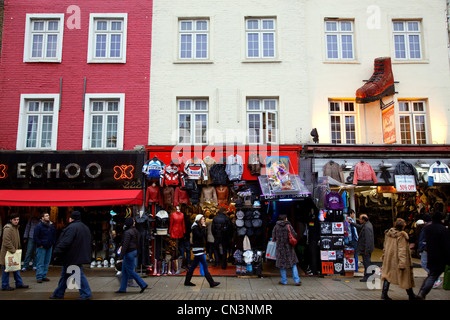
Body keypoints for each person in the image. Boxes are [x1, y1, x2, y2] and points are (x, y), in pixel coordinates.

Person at [50, 211, 92, 300]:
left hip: (72, 255)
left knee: (76, 275)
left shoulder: (71, 228)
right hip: (78, 255)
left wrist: (57, 251)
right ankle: (58, 293)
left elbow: (66, 242)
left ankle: (86, 293)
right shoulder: (84, 227)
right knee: (66, 275)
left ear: (71, 218)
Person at [380, 218, 417, 300]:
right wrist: (402, 263)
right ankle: (411, 295)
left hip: (389, 258)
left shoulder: (388, 233)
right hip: (397, 259)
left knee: (387, 275)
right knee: (405, 277)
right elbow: (402, 250)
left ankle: (384, 293)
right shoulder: (402, 236)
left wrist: (384, 256)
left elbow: (385, 246)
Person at [416, 211, 450, 300]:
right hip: (440, 256)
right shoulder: (443, 230)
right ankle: (422, 293)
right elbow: (446, 245)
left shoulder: (427, 228)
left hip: (430, 255)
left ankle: (421, 293)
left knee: (431, 275)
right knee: (433, 276)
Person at [184, 214, 220, 287]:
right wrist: (203, 227)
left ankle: (187, 281)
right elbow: (200, 236)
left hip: (199, 248)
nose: (204, 221)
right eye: (203, 219)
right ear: (199, 220)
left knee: (193, 266)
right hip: (197, 249)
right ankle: (211, 282)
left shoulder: (197, 227)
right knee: (205, 265)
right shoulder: (195, 228)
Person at [115, 217, 148, 294]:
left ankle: (142, 284)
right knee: (125, 271)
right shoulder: (135, 231)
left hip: (128, 252)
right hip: (133, 251)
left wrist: (121, 256)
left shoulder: (127, 233)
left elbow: (125, 245)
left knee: (129, 270)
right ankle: (122, 288)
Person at [0, 213, 29, 291]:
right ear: (11, 220)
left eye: (17, 220)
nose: (16, 221)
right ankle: (5, 285)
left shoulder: (15, 228)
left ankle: (18, 283)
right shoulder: (8, 228)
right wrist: (13, 250)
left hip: (13, 252)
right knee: (7, 269)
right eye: (15, 220)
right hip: (8, 253)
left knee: (15, 268)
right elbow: (6, 241)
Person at [272, 214, 301, 286]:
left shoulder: (276, 226)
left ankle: (284, 281)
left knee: (282, 265)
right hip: (289, 248)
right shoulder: (288, 226)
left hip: (280, 248)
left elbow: (273, 237)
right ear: (285, 219)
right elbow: (294, 234)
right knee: (293, 264)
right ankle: (297, 280)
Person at [417, 214, 442, 288]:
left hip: (427, 248)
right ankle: (433, 278)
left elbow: (424, 239)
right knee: (429, 263)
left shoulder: (427, 227)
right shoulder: (433, 226)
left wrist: (423, 247)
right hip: (431, 248)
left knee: (424, 263)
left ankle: (435, 278)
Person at [33, 212, 56, 283]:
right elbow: (35, 236)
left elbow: (54, 235)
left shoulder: (51, 225)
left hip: (49, 245)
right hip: (41, 246)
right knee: (40, 262)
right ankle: (39, 276)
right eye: (46, 216)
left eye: (48, 215)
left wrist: (52, 243)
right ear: (42, 218)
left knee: (47, 261)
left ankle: (44, 275)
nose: (48, 217)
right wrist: (40, 244)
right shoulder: (39, 226)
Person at [351, 214, 374, 282]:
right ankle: (370, 273)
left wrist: (366, 250)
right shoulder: (366, 225)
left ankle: (367, 276)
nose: (359, 220)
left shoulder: (367, 227)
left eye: (360, 219)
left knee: (366, 262)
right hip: (366, 248)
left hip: (366, 248)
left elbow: (368, 239)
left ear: (363, 220)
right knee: (367, 262)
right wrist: (352, 223)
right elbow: (360, 227)